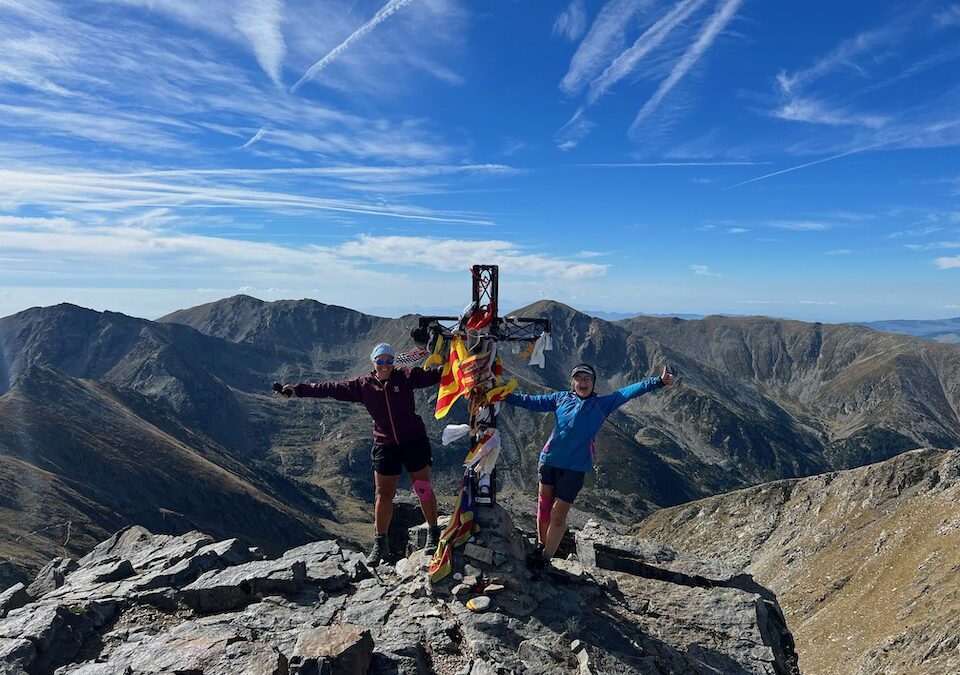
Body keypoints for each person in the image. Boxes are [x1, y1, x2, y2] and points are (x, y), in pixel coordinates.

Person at [279, 343, 442, 565]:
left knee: (422, 487)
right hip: (385, 445)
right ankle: (380, 543)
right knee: (383, 494)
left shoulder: (406, 376)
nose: (385, 365)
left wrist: (463, 362)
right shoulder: (363, 385)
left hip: (414, 440)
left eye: (389, 360)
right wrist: (298, 390)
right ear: (373, 362)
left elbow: (437, 375)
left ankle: (433, 532)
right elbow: (330, 388)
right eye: (380, 361)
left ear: (393, 361)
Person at [502, 363, 675, 570]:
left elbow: (628, 391)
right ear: (572, 382)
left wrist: (658, 382)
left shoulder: (602, 404)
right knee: (544, 508)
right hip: (548, 461)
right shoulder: (560, 398)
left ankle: (545, 559)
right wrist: (502, 395)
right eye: (579, 378)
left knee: (558, 515)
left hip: (575, 469)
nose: (583, 382)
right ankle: (540, 545)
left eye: (587, 379)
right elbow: (530, 401)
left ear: (593, 383)